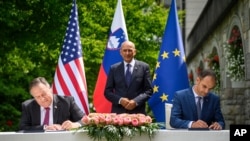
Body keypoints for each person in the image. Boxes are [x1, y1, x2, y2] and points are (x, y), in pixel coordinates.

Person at [104, 41, 153, 114]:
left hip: (138, 113)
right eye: (125, 50)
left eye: (130, 50)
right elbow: (107, 92)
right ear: (121, 52)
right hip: (118, 114)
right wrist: (120, 100)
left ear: (135, 52)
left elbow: (149, 90)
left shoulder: (144, 67)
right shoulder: (114, 68)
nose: (127, 53)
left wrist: (136, 101)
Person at [19, 77, 85, 131]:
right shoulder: (28, 106)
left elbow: (84, 121)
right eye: (37, 97)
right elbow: (22, 128)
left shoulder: (67, 102)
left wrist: (74, 125)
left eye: (44, 94)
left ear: (50, 89)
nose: (42, 99)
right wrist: (45, 128)